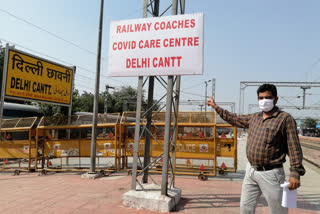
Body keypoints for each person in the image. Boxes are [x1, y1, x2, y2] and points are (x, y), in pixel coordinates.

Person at [207, 83, 305, 214]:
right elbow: (234, 119)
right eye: (261, 98)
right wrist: (216, 107)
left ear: (275, 99)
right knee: (245, 207)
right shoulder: (254, 118)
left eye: (268, 97)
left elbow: (294, 148)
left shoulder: (284, 119)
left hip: (271, 174)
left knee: (278, 210)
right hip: (251, 171)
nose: (264, 101)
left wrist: (295, 173)